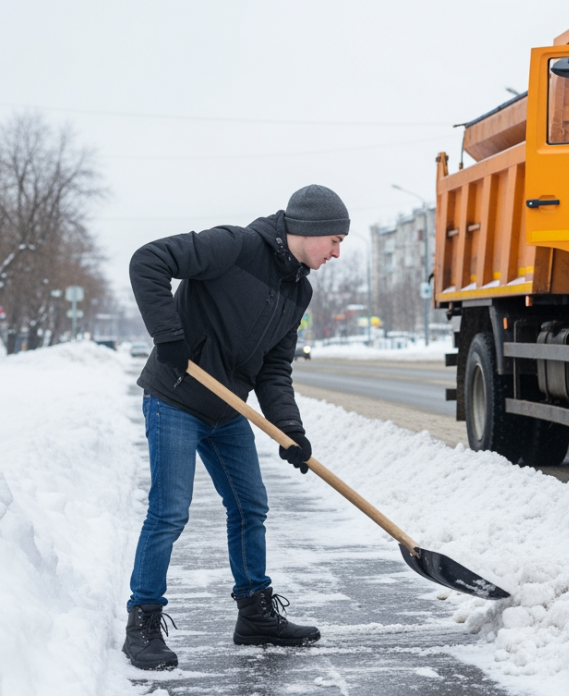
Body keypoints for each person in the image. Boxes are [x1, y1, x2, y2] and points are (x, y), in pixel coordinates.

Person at [122, 185, 348, 670]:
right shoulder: (235, 246)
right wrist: (170, 337)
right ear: (306, 229)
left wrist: (289, 428)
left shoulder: (298, 289)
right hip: (175, 397)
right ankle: (142, 620)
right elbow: (148, 261)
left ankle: (255, 615)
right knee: (169, 512)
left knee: (250, 507)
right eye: (334, 239)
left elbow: (273, 368)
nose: (336, 251)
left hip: (227, 411)